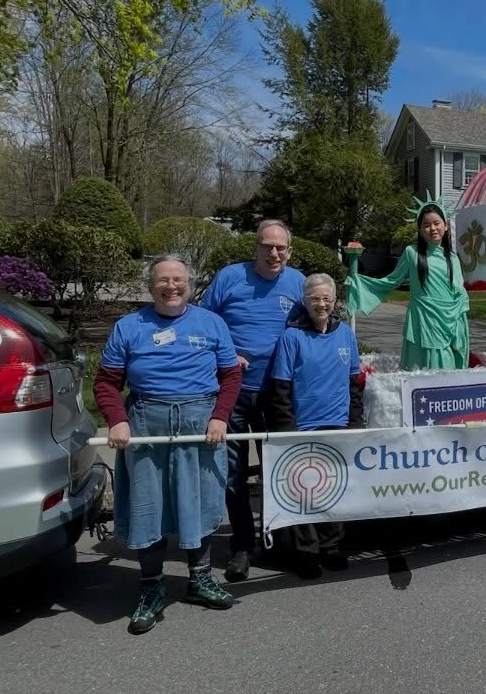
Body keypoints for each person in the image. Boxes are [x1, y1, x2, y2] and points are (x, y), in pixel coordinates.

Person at [93, 255, 242, 635]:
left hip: (200, 423)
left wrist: (220, 416)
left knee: (202, 499)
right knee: (150, 506)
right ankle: (151, 586)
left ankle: (200, 579)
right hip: (146, 422)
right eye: (163, 280)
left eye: (178, 279)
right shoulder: (129, 327)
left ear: (190, 284)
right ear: (150, 286)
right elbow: (106, 383)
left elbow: (229, 376)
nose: (171, 286)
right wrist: (118, 420)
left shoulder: (212, 323)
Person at [199, 219, 306, 582]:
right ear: (255, 247)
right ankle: (243, 546)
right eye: (267, 246)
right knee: (234, 474)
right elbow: (201, 323)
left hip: (277, 391)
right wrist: (226, 354)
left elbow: (313, 327)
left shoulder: (298, 283)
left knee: (281, 470)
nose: (274, 253)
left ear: (289, 251)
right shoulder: (230, 277)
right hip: (234, 390)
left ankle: (278, 540)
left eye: (281, 248)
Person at [266, 273, 364, 578]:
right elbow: (280, 388)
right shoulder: (291, 337)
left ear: (334, 301)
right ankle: (306, 553)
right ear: (304, 301)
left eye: (326, 298)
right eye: (314, 298)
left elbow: (355, 382)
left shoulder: (345, 334)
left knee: (335, 489)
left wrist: (355, 422)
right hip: (304, 427)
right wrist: (289, 429)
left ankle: (331, 546)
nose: (321, 304)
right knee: (305, 493)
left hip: (338, 424)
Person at [346, 196, 469, 370]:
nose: (432, 228)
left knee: (446, 364)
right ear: (419, 230)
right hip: (423, 319)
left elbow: (459, 292)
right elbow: (391, 281)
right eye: (426, 225)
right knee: (421, 367)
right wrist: (358, 282)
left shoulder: (453, 258)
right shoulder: (412, 253)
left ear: (446, 225)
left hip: (448, 321)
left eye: (436, 223)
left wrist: (460, 323)